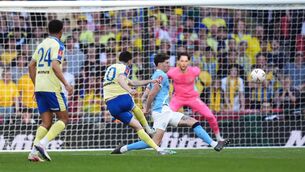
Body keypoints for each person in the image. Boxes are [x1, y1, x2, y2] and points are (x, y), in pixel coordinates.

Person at [111, 53, 229, 154]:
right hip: (161, 112)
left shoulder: (156, 75)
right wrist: (146, 108)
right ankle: (123, 148)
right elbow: (152, 93)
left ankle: (214, 144)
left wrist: (143, 100)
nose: (169, 65)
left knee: (193, 122)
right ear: (160, 64)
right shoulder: (161, 75)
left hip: (166, 111)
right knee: (155, 142)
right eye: (167, 63)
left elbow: (147, 92)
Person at [103, 51, 169, 155]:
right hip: (121, 99)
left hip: (111, 106)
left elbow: (133, 82)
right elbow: (121, 80)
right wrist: (129, 90)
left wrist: (150, 81)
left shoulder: (111, 68)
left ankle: (158, 149)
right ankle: (149, 128)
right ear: (129, 61)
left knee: (138, 127)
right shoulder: (124, 68)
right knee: (134, 107)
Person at [28, 20, 73, 162]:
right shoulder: (58, 44)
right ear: (61, 31)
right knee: (64, 118)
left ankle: (33, 152)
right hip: (52, 87)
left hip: (40, 86)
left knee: (46, 122)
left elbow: (31, 66)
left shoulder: (42, 44)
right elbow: (54, 65)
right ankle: (42, 144)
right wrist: (66, 84)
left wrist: (36, 86)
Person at [167, 52, 224, 141]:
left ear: (189, 62)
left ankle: (218, 137)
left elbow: (198, 72)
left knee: (210, 116)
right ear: (178, 61)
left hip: (193, 98)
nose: (184, 63)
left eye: (186, 61)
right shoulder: (171, 72)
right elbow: (162, 77)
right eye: (182, 61)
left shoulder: (195, 71)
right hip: (178, 98)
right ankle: (155, 135)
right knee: (166, 116)